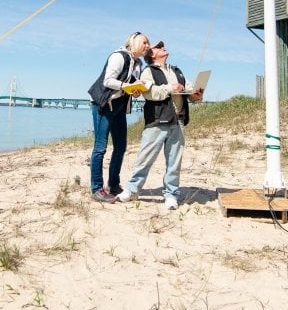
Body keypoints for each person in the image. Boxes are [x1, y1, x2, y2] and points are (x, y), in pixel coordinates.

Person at [116, 40, 203, 210]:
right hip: (157, 121)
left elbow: (189, 90)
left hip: (178, 121)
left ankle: (171, 195)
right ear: (151, 54)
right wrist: (171, 88)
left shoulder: (177, 71)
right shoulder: (148, 71)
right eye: (158, 46)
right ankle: (132, 190)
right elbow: (149, 94)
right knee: (145, 158)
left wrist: (196, 96)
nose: (163, 46)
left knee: (174, 162)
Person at [86, 31, 150, 202]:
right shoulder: (119, 56)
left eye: (148, 44)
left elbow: (130, 88)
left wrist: (136, 91)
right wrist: (127, 85)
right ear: (134, 41)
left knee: (120, 147)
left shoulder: (138, 64)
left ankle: (113, 184)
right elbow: (108, 81)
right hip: (103, 104)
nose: (147, 46)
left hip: (120, 107)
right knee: (100, 147)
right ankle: (97, 188)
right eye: (145, 42)